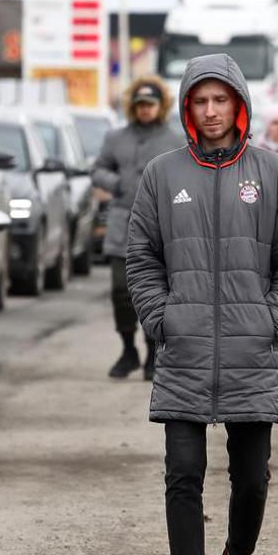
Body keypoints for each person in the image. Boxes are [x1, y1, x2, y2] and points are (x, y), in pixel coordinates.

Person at [125, 54, 278, 555]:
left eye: (220, 100)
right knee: (183, 475)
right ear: (187, 106)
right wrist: (162, 320)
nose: (210, 112)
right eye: (200, 101)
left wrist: (271, 322)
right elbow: (141, 258)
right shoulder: (162, 174)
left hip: (251, 353)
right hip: (182, 354)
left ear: (239, 105)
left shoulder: (276, 174)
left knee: (252, 477)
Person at [91, 76, 183, 380]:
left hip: (162, 226)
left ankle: (153, 353)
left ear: (161, 106)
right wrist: (116, 183)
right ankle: (128, 348)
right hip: (122, 225)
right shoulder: (115, 137)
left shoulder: (175, 139)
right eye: (140, 104)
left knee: (157, 291)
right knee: (121, 290)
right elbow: (98, 169)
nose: (145, 110)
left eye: (151, 104)